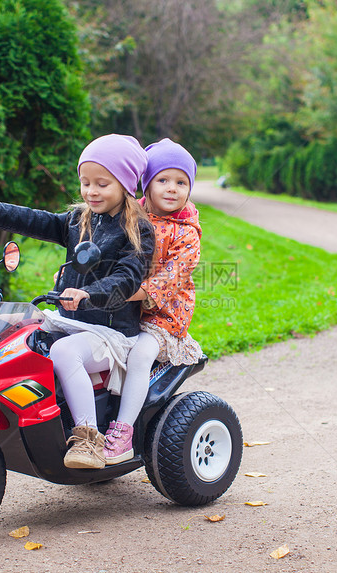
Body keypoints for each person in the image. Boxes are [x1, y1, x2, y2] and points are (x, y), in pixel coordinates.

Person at [0, 134, 155, 470]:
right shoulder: (79, 219)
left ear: (126, 184)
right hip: (71, 321)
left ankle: (88, 438)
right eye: (85, 182)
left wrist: (91, 293)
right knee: (17, 334)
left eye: (102, 183)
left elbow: (128, 278)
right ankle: (27, 418)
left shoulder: (137, 231)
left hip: (111, 333)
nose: (91, 191)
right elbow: (34, 219)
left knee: (62, 351)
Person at [103, 138, 204, 464]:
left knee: (141, 354)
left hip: (162, 315)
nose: (172, 188)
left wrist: (125, 293)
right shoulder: (131, 216)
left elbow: (169, 279)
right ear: (148, 183)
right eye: (163, 179)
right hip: (121, 309)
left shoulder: (186, 234)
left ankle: (123, 432)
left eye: (181, 182)